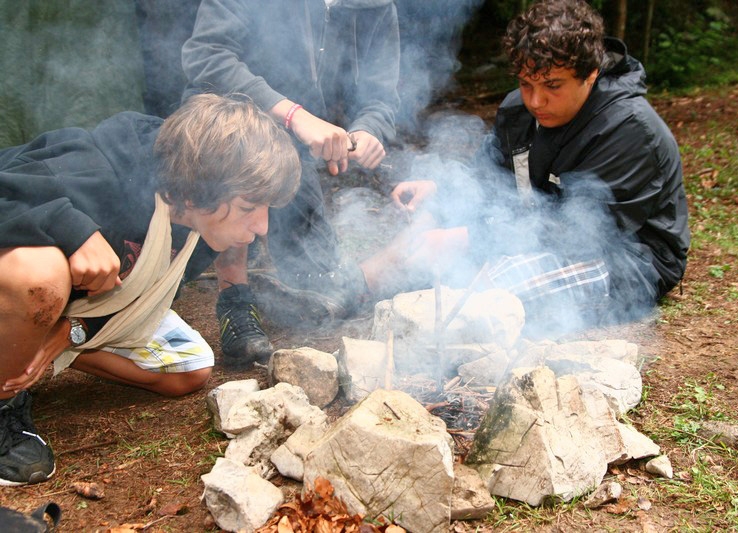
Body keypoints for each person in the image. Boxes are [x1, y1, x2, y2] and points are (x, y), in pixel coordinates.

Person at [0, 94, 300, 486]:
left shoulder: (200, 233)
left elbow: (143, 301)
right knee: (39, 276)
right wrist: (70, 229)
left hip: (76, 308)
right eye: (248, 208)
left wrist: (73, 331)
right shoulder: (101, 168)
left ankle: (40, 347)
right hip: (15, 283)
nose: (262, 226)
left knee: (189, 369)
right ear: (198, 193)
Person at [352, 0, 690, 330]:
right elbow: (486, 179)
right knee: (430, 236)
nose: (535, 100)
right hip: (531, 233)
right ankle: (359, 282)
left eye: (552, 86)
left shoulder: (630, 129)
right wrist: (441, 191)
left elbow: (582, 234)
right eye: (526, 84)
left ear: (590, 74)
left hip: (624, 259)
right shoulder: (519, 112)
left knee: (484, 297)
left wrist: (466, 239)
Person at [181, 0, 401, 370]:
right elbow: (207, 58)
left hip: (293, 148)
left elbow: (381, 96)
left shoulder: (375, 5)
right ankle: (234, 298)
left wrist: (368, 128)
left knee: (322, 283)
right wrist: (295, 116)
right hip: (223, 125)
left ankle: (284, 291)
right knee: (240, 183)